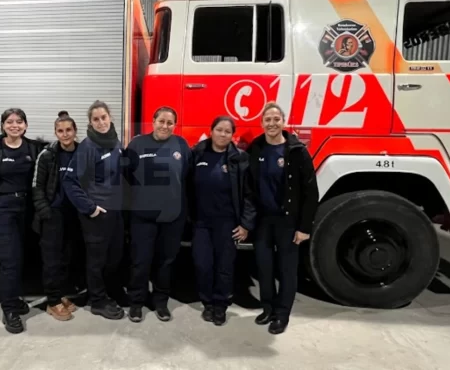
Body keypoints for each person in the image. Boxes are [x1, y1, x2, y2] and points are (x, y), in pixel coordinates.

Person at [245, 102, 319, 335]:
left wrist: (304, 227)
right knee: (264, 268)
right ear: (262, 123)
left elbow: (311, 192)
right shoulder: (255, 148)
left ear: (283, 121)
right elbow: (248, 187)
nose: (272, 123)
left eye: (276, 119)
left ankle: (282, 313)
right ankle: (267, 308)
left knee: (287, 270)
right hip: (263, 222)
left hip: (288, 222)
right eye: (267, 119)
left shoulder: (297, 151)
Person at [0, 108, 46, 334]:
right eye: (9, 122)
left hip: (26, 209)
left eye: (19, 121)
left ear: (25, 125)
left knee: (22, 258)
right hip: (4, 209)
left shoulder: (32, 148)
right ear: (3, 125)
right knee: (10, 260)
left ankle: (14, 299)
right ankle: (10, 310)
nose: (14, 125)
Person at [124, 106, 191, 323]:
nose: (165, 126)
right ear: (153, 122)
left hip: (172, 218)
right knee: (140, 262)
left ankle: (160, 302)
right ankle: (136, 303)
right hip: (142, 218)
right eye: (161, 121)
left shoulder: (181, 145)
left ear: (175, 125)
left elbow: (187, 178)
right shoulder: (137, 144)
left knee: (165, 262)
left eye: (170, 123)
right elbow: (126, 177)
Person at [188, 115, 256, 326]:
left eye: (228, 131)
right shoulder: (197, 153)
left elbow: (249, 195)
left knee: (224, 266)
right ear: (211, 131)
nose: (223, 134)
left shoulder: (240, 159)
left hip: (227, 224)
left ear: (232, 136)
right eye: (219, 130)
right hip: (201, 222)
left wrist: (245, 224)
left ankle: (220, 305)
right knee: (203, 264)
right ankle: (207, 303)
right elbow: (185, 185)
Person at [62, 100, 126, 320]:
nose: (100, 123)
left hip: (115, 212)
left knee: (114, 257)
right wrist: (89, 208)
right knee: (97, 260)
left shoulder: (115, 141)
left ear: (110, 118)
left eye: (103, 118)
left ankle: (108, 292)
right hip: (97, 215)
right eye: (95, 119)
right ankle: (97, 301)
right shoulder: (88, 147)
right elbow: (70, 181)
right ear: (90, 122)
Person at [31, 110, 86, 321]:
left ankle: (61, 294)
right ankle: (52, 302)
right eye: (60, 131)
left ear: (75, 131)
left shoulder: (82, 153)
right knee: (52, 260)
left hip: (74, 216)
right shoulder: (47, 155)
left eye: (68, 130)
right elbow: (37, 186)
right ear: (55, 132)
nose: (65, 134)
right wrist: (45, 212)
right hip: (53, 216)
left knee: (66, 258)